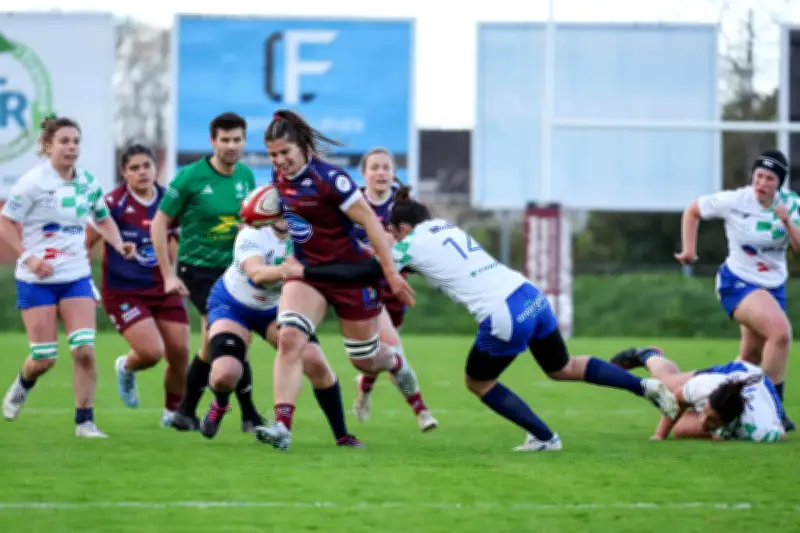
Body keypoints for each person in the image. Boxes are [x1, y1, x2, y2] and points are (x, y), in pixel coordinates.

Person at [278, 188, 681, 451]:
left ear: (401, 228)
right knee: (563, 366)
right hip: (530, 295)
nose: (392, 240)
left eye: (393, 233)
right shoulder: (442, 226)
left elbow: (367, 273)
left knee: (478, 382)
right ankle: (644, 385)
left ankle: (545, 437)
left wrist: (306, 271)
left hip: (503, 314)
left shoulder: (409, 243)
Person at [255, 109, 426, 452]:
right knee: (290, 338)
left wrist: (391, 274)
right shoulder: (279, 177)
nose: (280, 160)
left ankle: (394, 361)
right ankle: (282, 426)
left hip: (350, 275)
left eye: (285, 152)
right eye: (273, 155)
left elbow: (372, 224)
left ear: (302, 146)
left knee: (364, 360)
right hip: (307, 274)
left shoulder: (331, 179)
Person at [0, 116, 135, 437]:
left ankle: (84, 421)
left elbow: (103, 219)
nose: (71, 147)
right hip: (36, 281)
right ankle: (23, 383)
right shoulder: (32, 182)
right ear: (48, 147)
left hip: (75, 276)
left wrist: (118, 243)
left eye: (76, 141)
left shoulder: (88, 182)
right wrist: (29, 258)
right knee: (44, 358)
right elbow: (5, 222)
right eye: (64, 141)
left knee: (84, 350)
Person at [203, 217, 362, 447]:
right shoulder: (253, 233)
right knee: (225, 374)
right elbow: (257, 274)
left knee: (315, 361)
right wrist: (296, 270)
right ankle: (221, 402)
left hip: (276, 307)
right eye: (279, 210)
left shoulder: (309, 236)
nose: (286, 216)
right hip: (233, 304)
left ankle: (342, 435)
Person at [151, 112, 263, 432]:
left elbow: (250, 222)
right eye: (225, 140)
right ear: (213, 141)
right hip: (198, 270)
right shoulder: (190, 177)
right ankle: (249, 415)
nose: (231, 145)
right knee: (230, 337)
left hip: (234, 270)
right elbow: (159, 223)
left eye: (237, 139)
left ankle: (185, 411)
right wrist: (168, 274)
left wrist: (250, 229)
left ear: (244, 141)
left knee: (214, 345)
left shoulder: (246, 176)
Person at [675, 149, 797, 432]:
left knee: (749, 362)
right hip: (737, 283)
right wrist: (689, 251)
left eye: (769, 178)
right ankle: (774, 410)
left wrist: (787, 222)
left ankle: (700, 400)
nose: (761, 183)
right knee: (780, 333)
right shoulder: (736, 200)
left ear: (779, 183)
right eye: (758, 175)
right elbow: (693, 210)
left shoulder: (792, 205)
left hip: (773, 288)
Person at [86, 144, 190, 427]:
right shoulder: (112, 203)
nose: (142, 172)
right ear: (124, 172)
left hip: (163, 287)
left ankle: (172, 413)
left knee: (180, 353)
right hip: (124, 291)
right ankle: (126, 366)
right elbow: (85, 245)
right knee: (151, 353)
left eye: (147, 166)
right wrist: (85, 283)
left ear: (156, 168)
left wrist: (183, 274)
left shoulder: (169, 201)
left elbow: (181, 241)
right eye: (134, 168)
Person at [349, 147, 437, 430]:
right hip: (364, 284)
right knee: (394, 350)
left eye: (386, 167)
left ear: (394, 173)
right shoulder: (351, 202)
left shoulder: (405, 206)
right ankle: (422, 411)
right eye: (374, 167)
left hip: (395, 284)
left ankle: (364, 386)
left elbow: (423, 241)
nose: (381, 173)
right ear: (364, 173)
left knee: (383, 351)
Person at [610, 347, 785, 442]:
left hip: (759, 386)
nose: (703, 421)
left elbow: (780, 433)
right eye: (705, 413)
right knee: (664, 386)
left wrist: (730, 435)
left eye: (712, 419)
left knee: (682, 430)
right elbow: (676, 399)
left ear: (729, 419)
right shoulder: (703, 387)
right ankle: (648, 354)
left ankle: (717, 427)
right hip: (735, 372)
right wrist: (659, 435)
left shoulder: (759, 428)